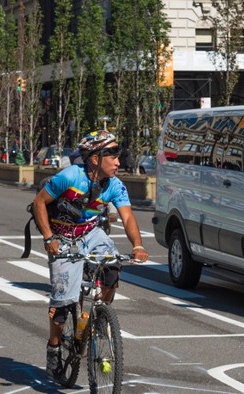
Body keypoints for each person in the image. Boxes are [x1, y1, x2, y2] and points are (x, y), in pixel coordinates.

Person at [31, 130, 149, 379]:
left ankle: (100, 316)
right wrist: (49, 237)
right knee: (62, 304)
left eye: (119, 156)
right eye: (113, 155)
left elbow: (127, 216)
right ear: (95, 158)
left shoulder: (115, 185)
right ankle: (54, 349)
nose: (119, 161)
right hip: (62, 237)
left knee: (113, 266)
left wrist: (137, 245)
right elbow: (39, 203)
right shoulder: (71, 176)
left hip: (91, 234)